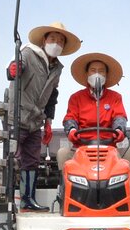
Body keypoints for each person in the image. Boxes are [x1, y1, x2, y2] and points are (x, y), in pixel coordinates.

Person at [4, 21, 80, 212]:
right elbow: (14, 66)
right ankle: (7, 201)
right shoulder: (28, 53)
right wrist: (13, 69)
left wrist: (48, 121)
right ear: (44, 40)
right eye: (53, 39)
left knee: (32, 160)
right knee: (12, 158)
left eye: (60, 41)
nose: (56, 43)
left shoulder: (57, 69)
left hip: (36, 120)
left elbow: (52, 95)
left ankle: (27, 200)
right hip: (17, 115)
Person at [57, 52, 129, 170]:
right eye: (93, 70)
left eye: (101, 71)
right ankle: (66, 187)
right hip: (81, 147)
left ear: (106, 75)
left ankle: (124, 188)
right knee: (62, 153)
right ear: (86, 73)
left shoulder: (115, 97)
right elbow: (70, 118)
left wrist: (119, 130)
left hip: (109, 147)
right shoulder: (76, 97)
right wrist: (71, 130)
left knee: (129, 154)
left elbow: (119, 117)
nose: (97, 74)